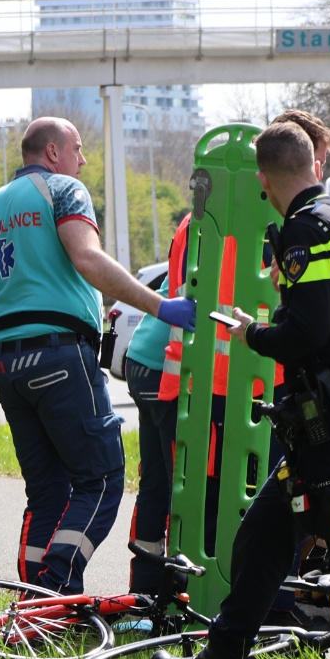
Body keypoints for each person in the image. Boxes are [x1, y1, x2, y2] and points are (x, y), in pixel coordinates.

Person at [155, 121, 330, 659]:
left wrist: (252, 333)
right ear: (314, 166)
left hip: (329, 424)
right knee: (261, 543)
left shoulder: (304, 230)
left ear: (264, 180)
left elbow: (306, 333)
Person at [0, 117, 196, 593]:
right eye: (77, 149)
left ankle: (33, 601)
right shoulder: (64, 190)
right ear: (52, 152)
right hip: (59, 358)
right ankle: (59, 583)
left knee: (46, 493)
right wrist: (160, 305)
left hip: (4, 367)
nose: (82, 160)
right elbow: (87, 258)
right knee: (102, 479)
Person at [122, 213, 190, 593]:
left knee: (156, 483)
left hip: (141, 360)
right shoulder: (213, 223)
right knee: (180, 485)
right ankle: (173, 588)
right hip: (163, 368)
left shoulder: (190, 223)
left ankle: (144, 591)